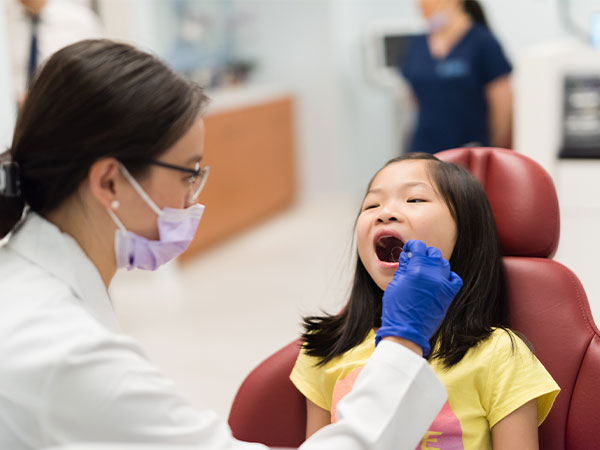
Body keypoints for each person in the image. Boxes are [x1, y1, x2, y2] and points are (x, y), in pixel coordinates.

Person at [0, 39, 463, 449]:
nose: (192, 197)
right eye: (187, 172)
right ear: (109, 182)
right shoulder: (65, 352)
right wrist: (402, 342)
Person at [290, 153, 560, 449]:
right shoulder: (325, 348)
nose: (385, 213)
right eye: (371, 205)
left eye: (415, 200)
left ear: (466, 232)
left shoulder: (500, 354)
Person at [399, 0, 513, 153]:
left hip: (470, 152)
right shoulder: (417, 44)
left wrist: (490, 152)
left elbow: (503, 108)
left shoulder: (483, 43)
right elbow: (414, 99)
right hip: (424, 151)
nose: (421, 3)